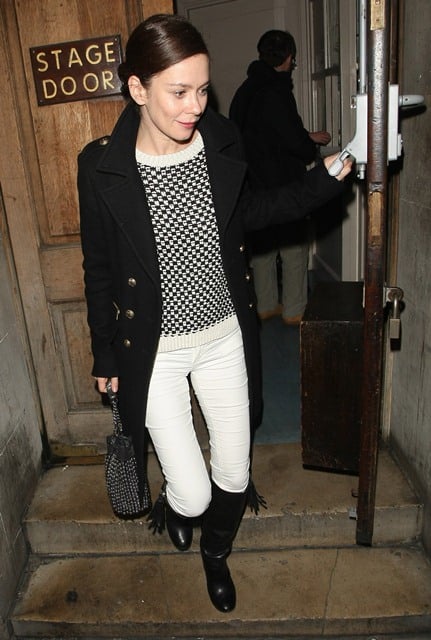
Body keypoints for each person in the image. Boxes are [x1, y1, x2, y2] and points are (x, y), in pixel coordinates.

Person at [78, 14, 351, 613]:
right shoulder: (100, 166)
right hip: (155, 351)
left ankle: (216, 553)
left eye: (203, 89)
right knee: (195, 491)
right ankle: (180, 506)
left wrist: (326, 177)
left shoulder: (221, 140)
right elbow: (98, 267)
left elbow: (256, 212)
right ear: (137, 88)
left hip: (224, 337)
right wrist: (105, 353)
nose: (195, 106)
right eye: (179, 92)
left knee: (233, 471)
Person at [230, 29, 332, 324]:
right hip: (283, 182)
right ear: (289, 58)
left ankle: (265, 305)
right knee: (293, 247)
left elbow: (258, 133)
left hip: (252, 182)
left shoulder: (246, 89)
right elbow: (292, 142)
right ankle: (294, 309)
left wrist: (305, 135)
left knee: (261, 249)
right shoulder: (277, 91)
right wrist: (308, 144)